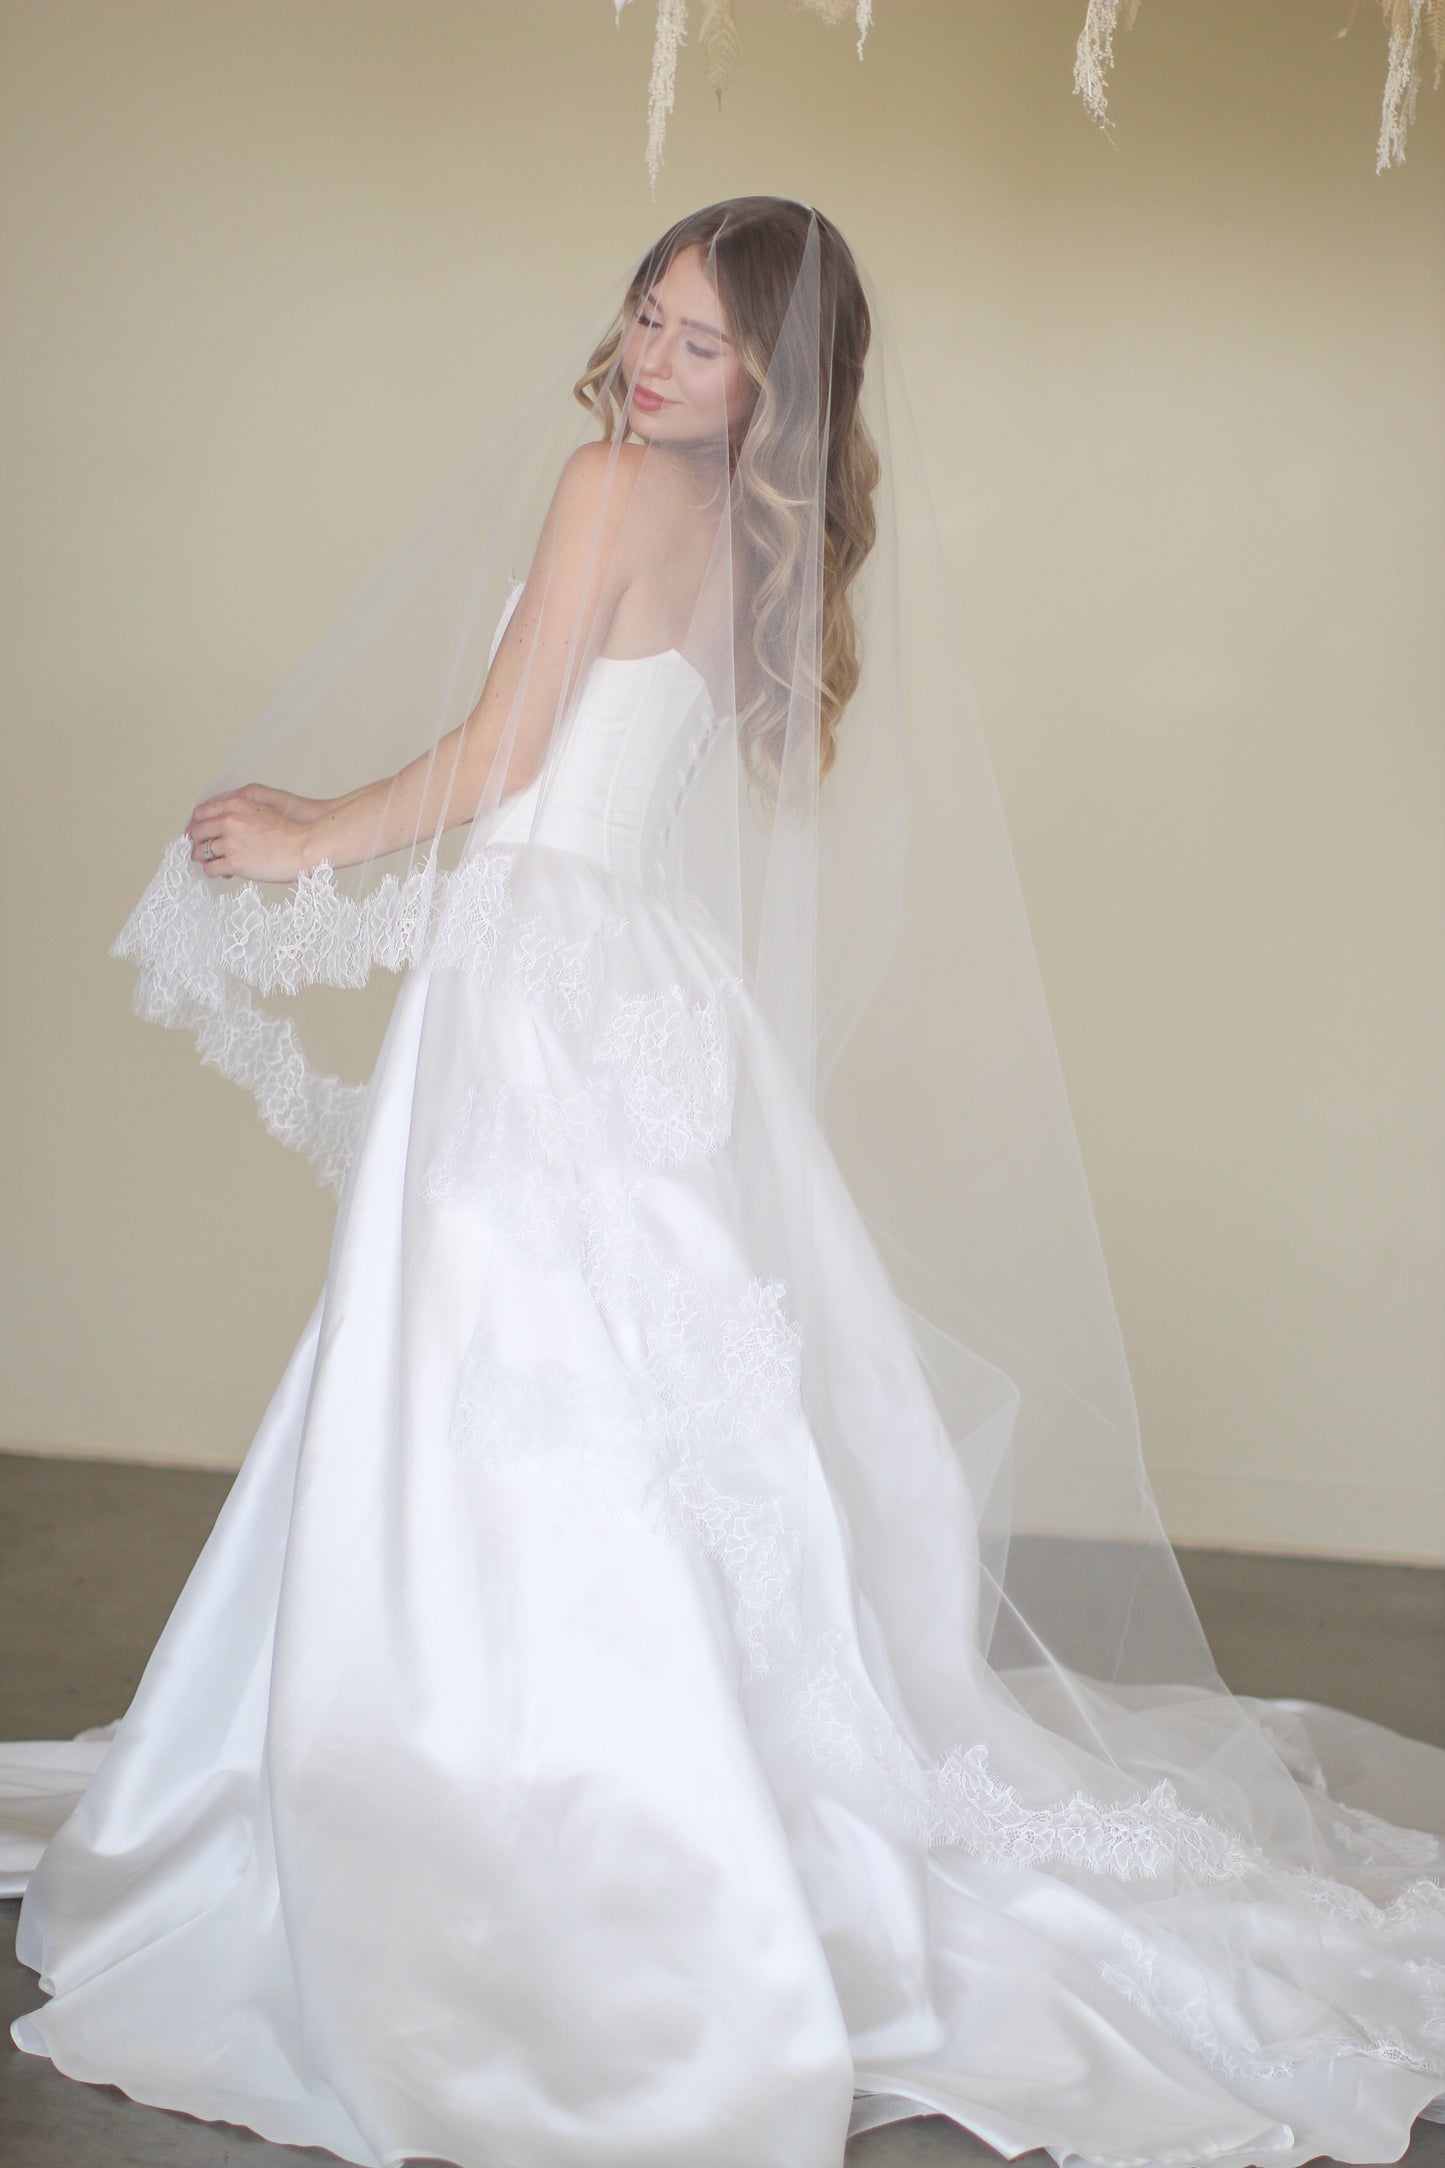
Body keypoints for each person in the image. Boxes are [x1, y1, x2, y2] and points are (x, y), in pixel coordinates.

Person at [4, 196, 1442, 2168]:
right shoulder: (756, 540)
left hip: (535, 976)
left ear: (775, 374)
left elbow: (505, 756)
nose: (656, 360)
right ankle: (600, 1747)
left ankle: (480, 1759)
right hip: (642, 988)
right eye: (647, 317)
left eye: (703, 339)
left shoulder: (607, 484)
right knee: (595, 1386)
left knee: (487, 1372)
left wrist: (309, 833)